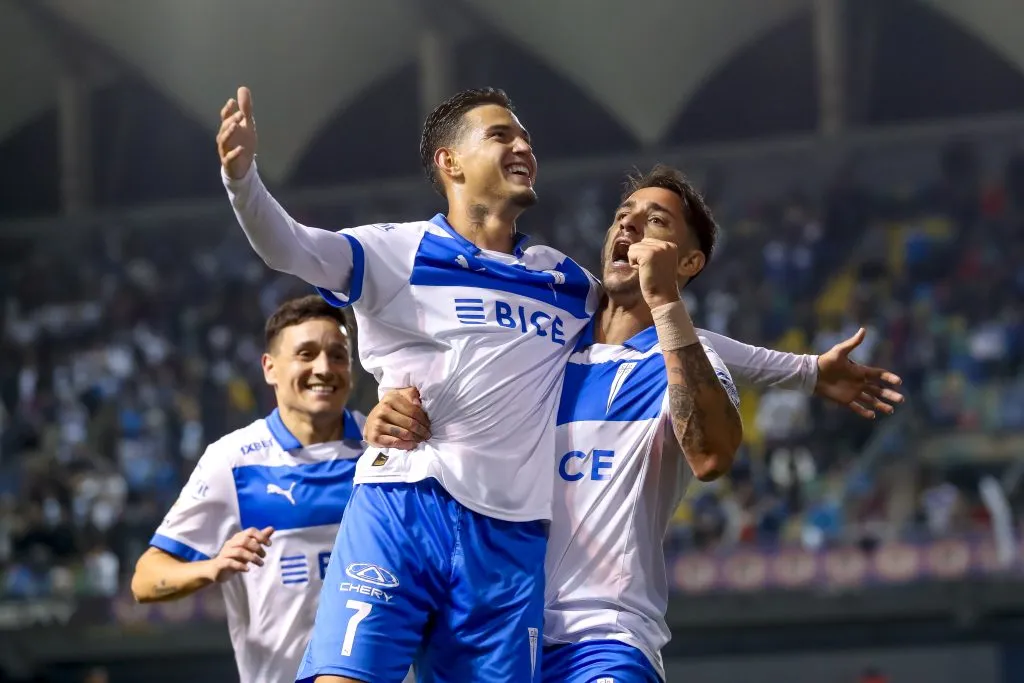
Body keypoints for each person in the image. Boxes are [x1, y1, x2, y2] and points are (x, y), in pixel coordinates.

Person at [364, 165, 905, 682]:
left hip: (602, 638)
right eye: (624, 214)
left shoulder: (685, 364)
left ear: (688, 262)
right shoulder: (540, 352)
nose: (629, 224)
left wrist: (666, 300)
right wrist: (388, 416)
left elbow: (712, 457)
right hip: (494, 633)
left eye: (656, 220)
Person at [218, 86, 599, 682]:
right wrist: (242, 179)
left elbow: (641, 335)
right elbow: (290, 247)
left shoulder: (570, 284)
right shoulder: (396, 250)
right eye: (501, 135)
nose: (524, 147)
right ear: (451, 162)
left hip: (510, 541)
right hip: (402, 507)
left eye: (526, 138)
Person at [130, 296, 367, 683]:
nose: (324, 368)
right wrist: (212, 568)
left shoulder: (386, 452)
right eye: (306, 354)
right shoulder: (234, 461)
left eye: (338, 355)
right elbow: (145, 579)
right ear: (270, 368)